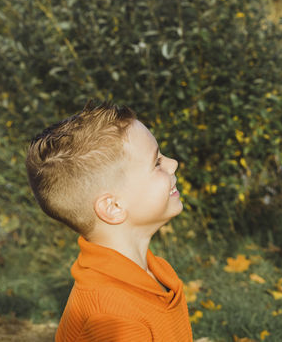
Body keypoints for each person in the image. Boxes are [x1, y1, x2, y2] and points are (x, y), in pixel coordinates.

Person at [26, 103, 193, 342]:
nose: (173, 163)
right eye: (156, 163)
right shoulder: (113, 318)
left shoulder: (155, 273)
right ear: (113, 207)